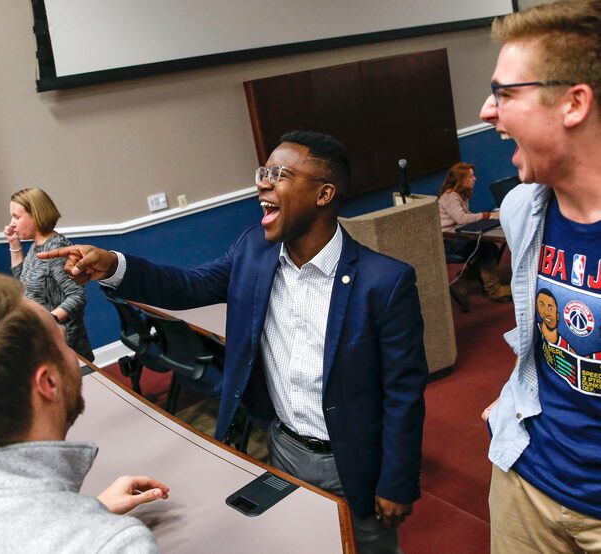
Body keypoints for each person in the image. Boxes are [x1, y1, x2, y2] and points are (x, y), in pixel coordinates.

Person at [42, 131, 428, 553]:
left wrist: (398, 480)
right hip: (282, 446)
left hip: (355, 460)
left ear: (324, 193)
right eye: (263, 172)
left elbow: (403, 391)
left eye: (279, 174)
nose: (262, 183)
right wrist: (114, 264)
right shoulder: (253, 252)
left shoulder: (385, 282)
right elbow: (187, 286)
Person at [0, 271, 168, 553]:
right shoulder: (119, 545)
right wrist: (96, 533)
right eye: (61, 341)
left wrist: (93, 513)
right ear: (48, 383)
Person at [479, 1, 601, 551]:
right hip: (526, 481)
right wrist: (513, 397)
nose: (487, 111)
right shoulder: (522, 211)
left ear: (574, 102)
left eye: (505, 92)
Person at [4, 187, 94, 361]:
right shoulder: (37, 245)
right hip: (44, 340)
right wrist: (14, 244)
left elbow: (77, 296)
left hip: (66, 347)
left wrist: (48, 320)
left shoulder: (56, 248)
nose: (11, 223)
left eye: (17, 216)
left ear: (36, 215)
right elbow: (22, 283)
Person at [438, 162, 511, 303]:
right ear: (461, 179)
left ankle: (463, 280)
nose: (474, 179)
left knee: (490, 249)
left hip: (457, 237)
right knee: (488, 249)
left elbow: (466, 216)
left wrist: (487, 216)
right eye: (471, 176)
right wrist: (486, 216)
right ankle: (495, 290)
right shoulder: (451, 196)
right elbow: (461, 218)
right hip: (449, 242)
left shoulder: (460, 195)